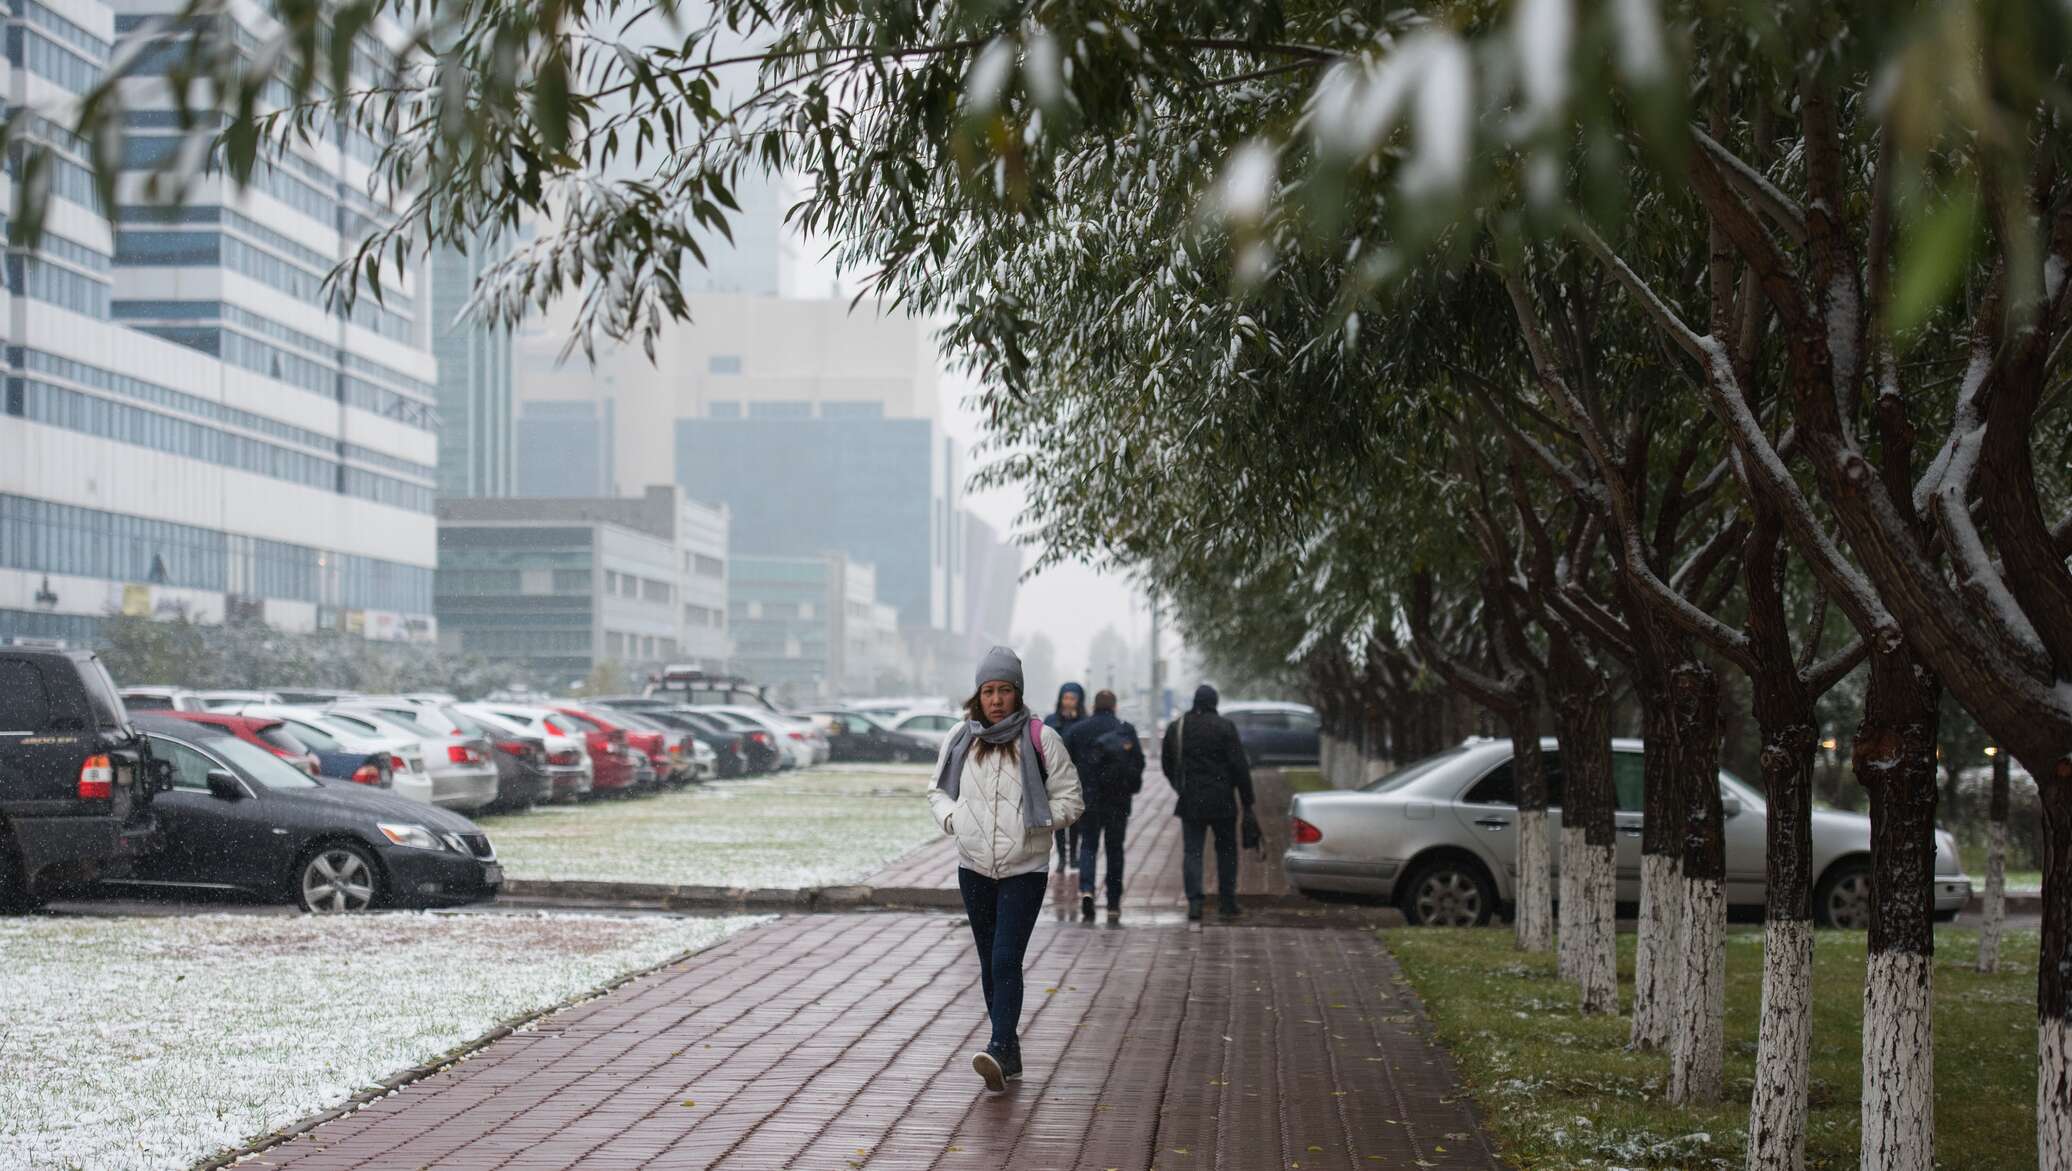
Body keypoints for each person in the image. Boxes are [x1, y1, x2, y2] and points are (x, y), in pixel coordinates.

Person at [928, 646, 1083, 1092]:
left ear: (1018, 693)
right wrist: (953, 820)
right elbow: (937, 792)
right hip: (973, 866)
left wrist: (1037, 821)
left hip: (1025, 868)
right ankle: (1009, 1051)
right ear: (978, 695)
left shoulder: (1040, 738)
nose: (996, 700)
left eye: (1005, 690)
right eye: (989, 691)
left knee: (1004, 957)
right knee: (987, 960)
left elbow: (1072, 798)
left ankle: (997, 1045)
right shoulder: (961, 737)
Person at [1158, 684, 1258, 921]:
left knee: (1192, 852)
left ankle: (1194, 902)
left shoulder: (1178, 727)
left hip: (1191, 800)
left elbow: (1167, 762)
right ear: (1215, 702)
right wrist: (1247, 801)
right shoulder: (1225, 727)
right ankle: (1227, 901)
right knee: (1226, 851)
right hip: (1223, 801)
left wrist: (1179, 786)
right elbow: (1239, 766)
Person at [1062, 689, 1146, 923]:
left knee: (1088, 845)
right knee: (1114, 849)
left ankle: (1087, 890)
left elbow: (1064, 764)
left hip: (1089, 799)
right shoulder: (1125, 731)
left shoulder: (1078, 731)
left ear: (1094, 706)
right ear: (1115, 706)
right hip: (1118, 800)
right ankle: (1113, 902)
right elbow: (1138, 762)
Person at [1043, 682, 1088, 894]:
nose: (1069, 702)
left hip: (1077, 778)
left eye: (1073, 698)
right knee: (1059, 819)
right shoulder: (1052, 721)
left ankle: (1074, 857)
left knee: (1075, 820)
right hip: (1055, 777)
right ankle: (1061, 857)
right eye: (1066, 698)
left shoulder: (1084, 722)